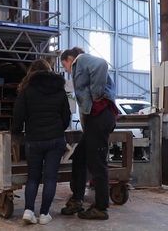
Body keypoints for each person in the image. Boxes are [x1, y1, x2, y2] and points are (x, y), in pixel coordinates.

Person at [60, 47, 118, 220]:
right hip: (95, 119)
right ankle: (77, 199)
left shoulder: (82, 60)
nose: (67, 71)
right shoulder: (80, 66)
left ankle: (101, 207)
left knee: (97, 162)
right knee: (79, 157)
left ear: (70, 59)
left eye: (65, 66)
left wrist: (96, 94)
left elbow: (101, 64)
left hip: (100, 116)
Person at [12, 59, 71, 225]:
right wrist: (58, 128)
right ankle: (44, 214)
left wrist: (16, 133)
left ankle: (29, 211)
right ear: (49, 71)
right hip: (55, 139)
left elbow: (18, 115)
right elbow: (66, 116)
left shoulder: (26, 90)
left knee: (33, 178)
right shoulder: (59, 90)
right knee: (50, 178)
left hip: (34, 139)